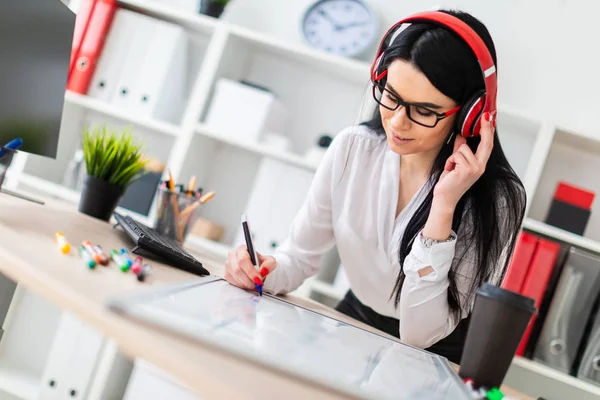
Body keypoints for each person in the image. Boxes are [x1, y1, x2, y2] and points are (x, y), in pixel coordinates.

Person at [224, 9, 526, 364]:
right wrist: (262, 269)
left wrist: (444, 204)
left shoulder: (497, 200)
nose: (398, 121)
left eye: (425, 111)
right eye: (391, 95)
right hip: (355, 321)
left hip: (436, 355)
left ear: (471, 114)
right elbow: (300, 258)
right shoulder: (353, 149)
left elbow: (419, 334)